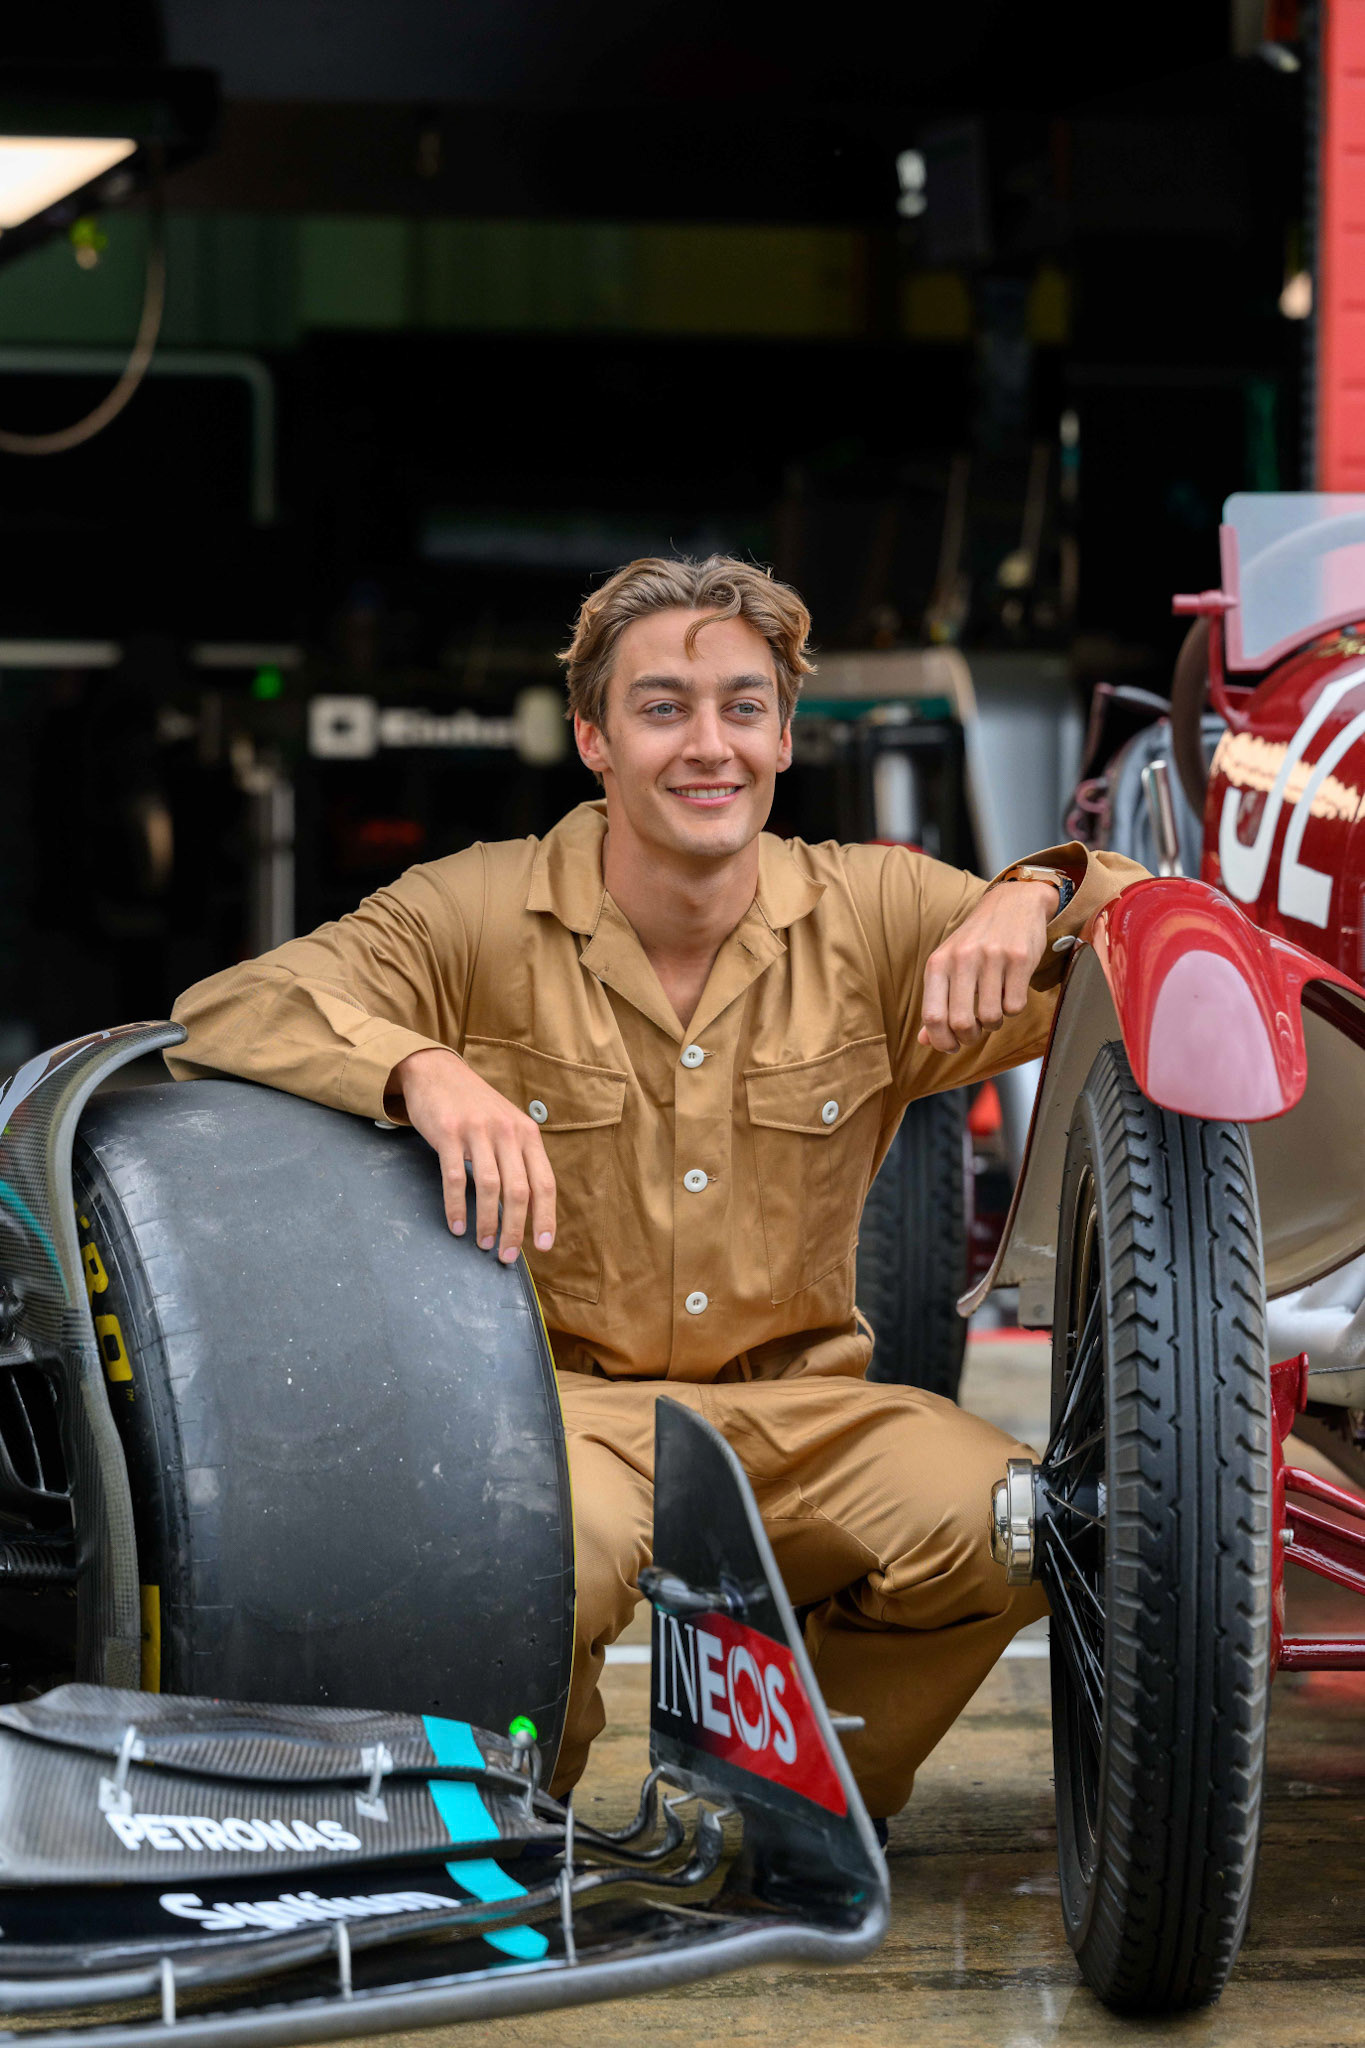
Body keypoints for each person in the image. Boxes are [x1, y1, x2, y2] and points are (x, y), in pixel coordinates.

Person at [168, 556, 1143, 1826]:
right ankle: (511, 1808)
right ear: (593, 736)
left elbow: (1171, 941)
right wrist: (419, 1068)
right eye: (663, 706)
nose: (709, 745)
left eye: (744, 706)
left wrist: (1040, 891)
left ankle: (792, 1791)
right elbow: (228, 1006)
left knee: (1012, 1515)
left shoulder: (877, 913)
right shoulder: (473, 911)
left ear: (787, 735)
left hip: (799, 1420)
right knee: (531, 1543)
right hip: (555, 1415)